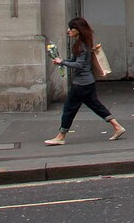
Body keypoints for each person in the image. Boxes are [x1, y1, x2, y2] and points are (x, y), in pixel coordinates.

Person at [45, 17, 124, 145]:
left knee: (69, 109)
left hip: (81, 83)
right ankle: (117, 127)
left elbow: (80, 65)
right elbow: (75, 61)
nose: (68, 30)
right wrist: (61, 60)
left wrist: (63, 62)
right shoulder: (83, 43)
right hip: (88, 82)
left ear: (78, 30)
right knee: (96, 106)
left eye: (71, 28)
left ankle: (61, 137)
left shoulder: (80, 45)